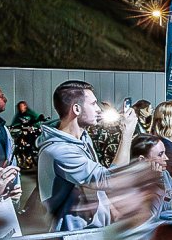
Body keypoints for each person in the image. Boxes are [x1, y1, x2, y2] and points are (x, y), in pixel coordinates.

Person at [37, 79, 135, 231]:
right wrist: (127, 133)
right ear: (76, 109)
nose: (98, 109)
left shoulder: (82, 138)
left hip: (94, 230)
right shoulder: (60, 151)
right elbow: (111, 180)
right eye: (93, 104)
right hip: (74, 236)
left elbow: (95, 185)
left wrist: (113, 213)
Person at [129, 134, 172, 221]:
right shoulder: (131, 183)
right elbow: (150, 219)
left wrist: (162, 216)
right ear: (142, 160)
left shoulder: (164, 174)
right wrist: (157, 186)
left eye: (165, 153)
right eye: (160, 154)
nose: (166, 158)